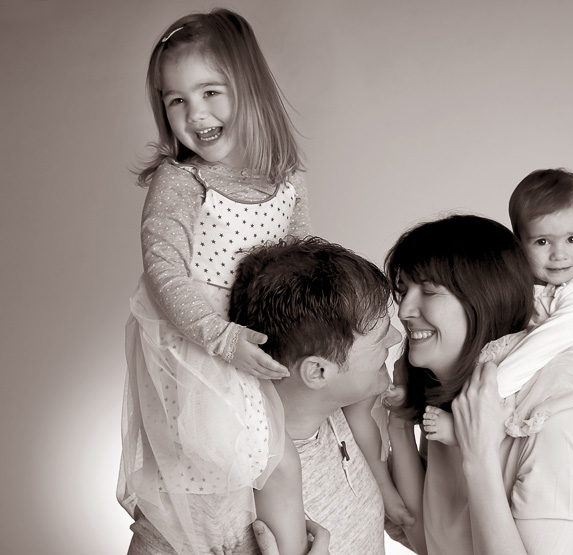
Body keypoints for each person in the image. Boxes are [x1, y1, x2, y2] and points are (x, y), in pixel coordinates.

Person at [118, 9, 312, 554]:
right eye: (175, 100)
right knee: (225, 482)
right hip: (199, 349)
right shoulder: (181, 180)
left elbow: (302, 265)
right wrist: (221, 338)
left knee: (278, 466)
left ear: (250, 89)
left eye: (209, 92)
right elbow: (163, 269)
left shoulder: (286, 181)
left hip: (254, 342)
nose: (194, 113)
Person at [386, 215, 573, 554]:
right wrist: (399, 422)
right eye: (404, 290)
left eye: (429, 290)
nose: (404, 310)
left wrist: (478, 457)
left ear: (485, 300)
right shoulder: (460, 403)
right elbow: (431, 544)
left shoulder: (555, 427)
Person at [422, 169, 573, 445]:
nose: (559, 254)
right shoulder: (530, 289)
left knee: (527, 363)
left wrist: (485, 399)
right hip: (551, 370)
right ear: (519, 244)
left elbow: (538, 349)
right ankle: (430, 400)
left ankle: (470, 428)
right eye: (542, 242)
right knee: (488, 352)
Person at [229, 237, 404, 555]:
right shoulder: (249, 487)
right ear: (318, 372)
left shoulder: (342, 413)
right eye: (380, 337)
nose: (396, 337)